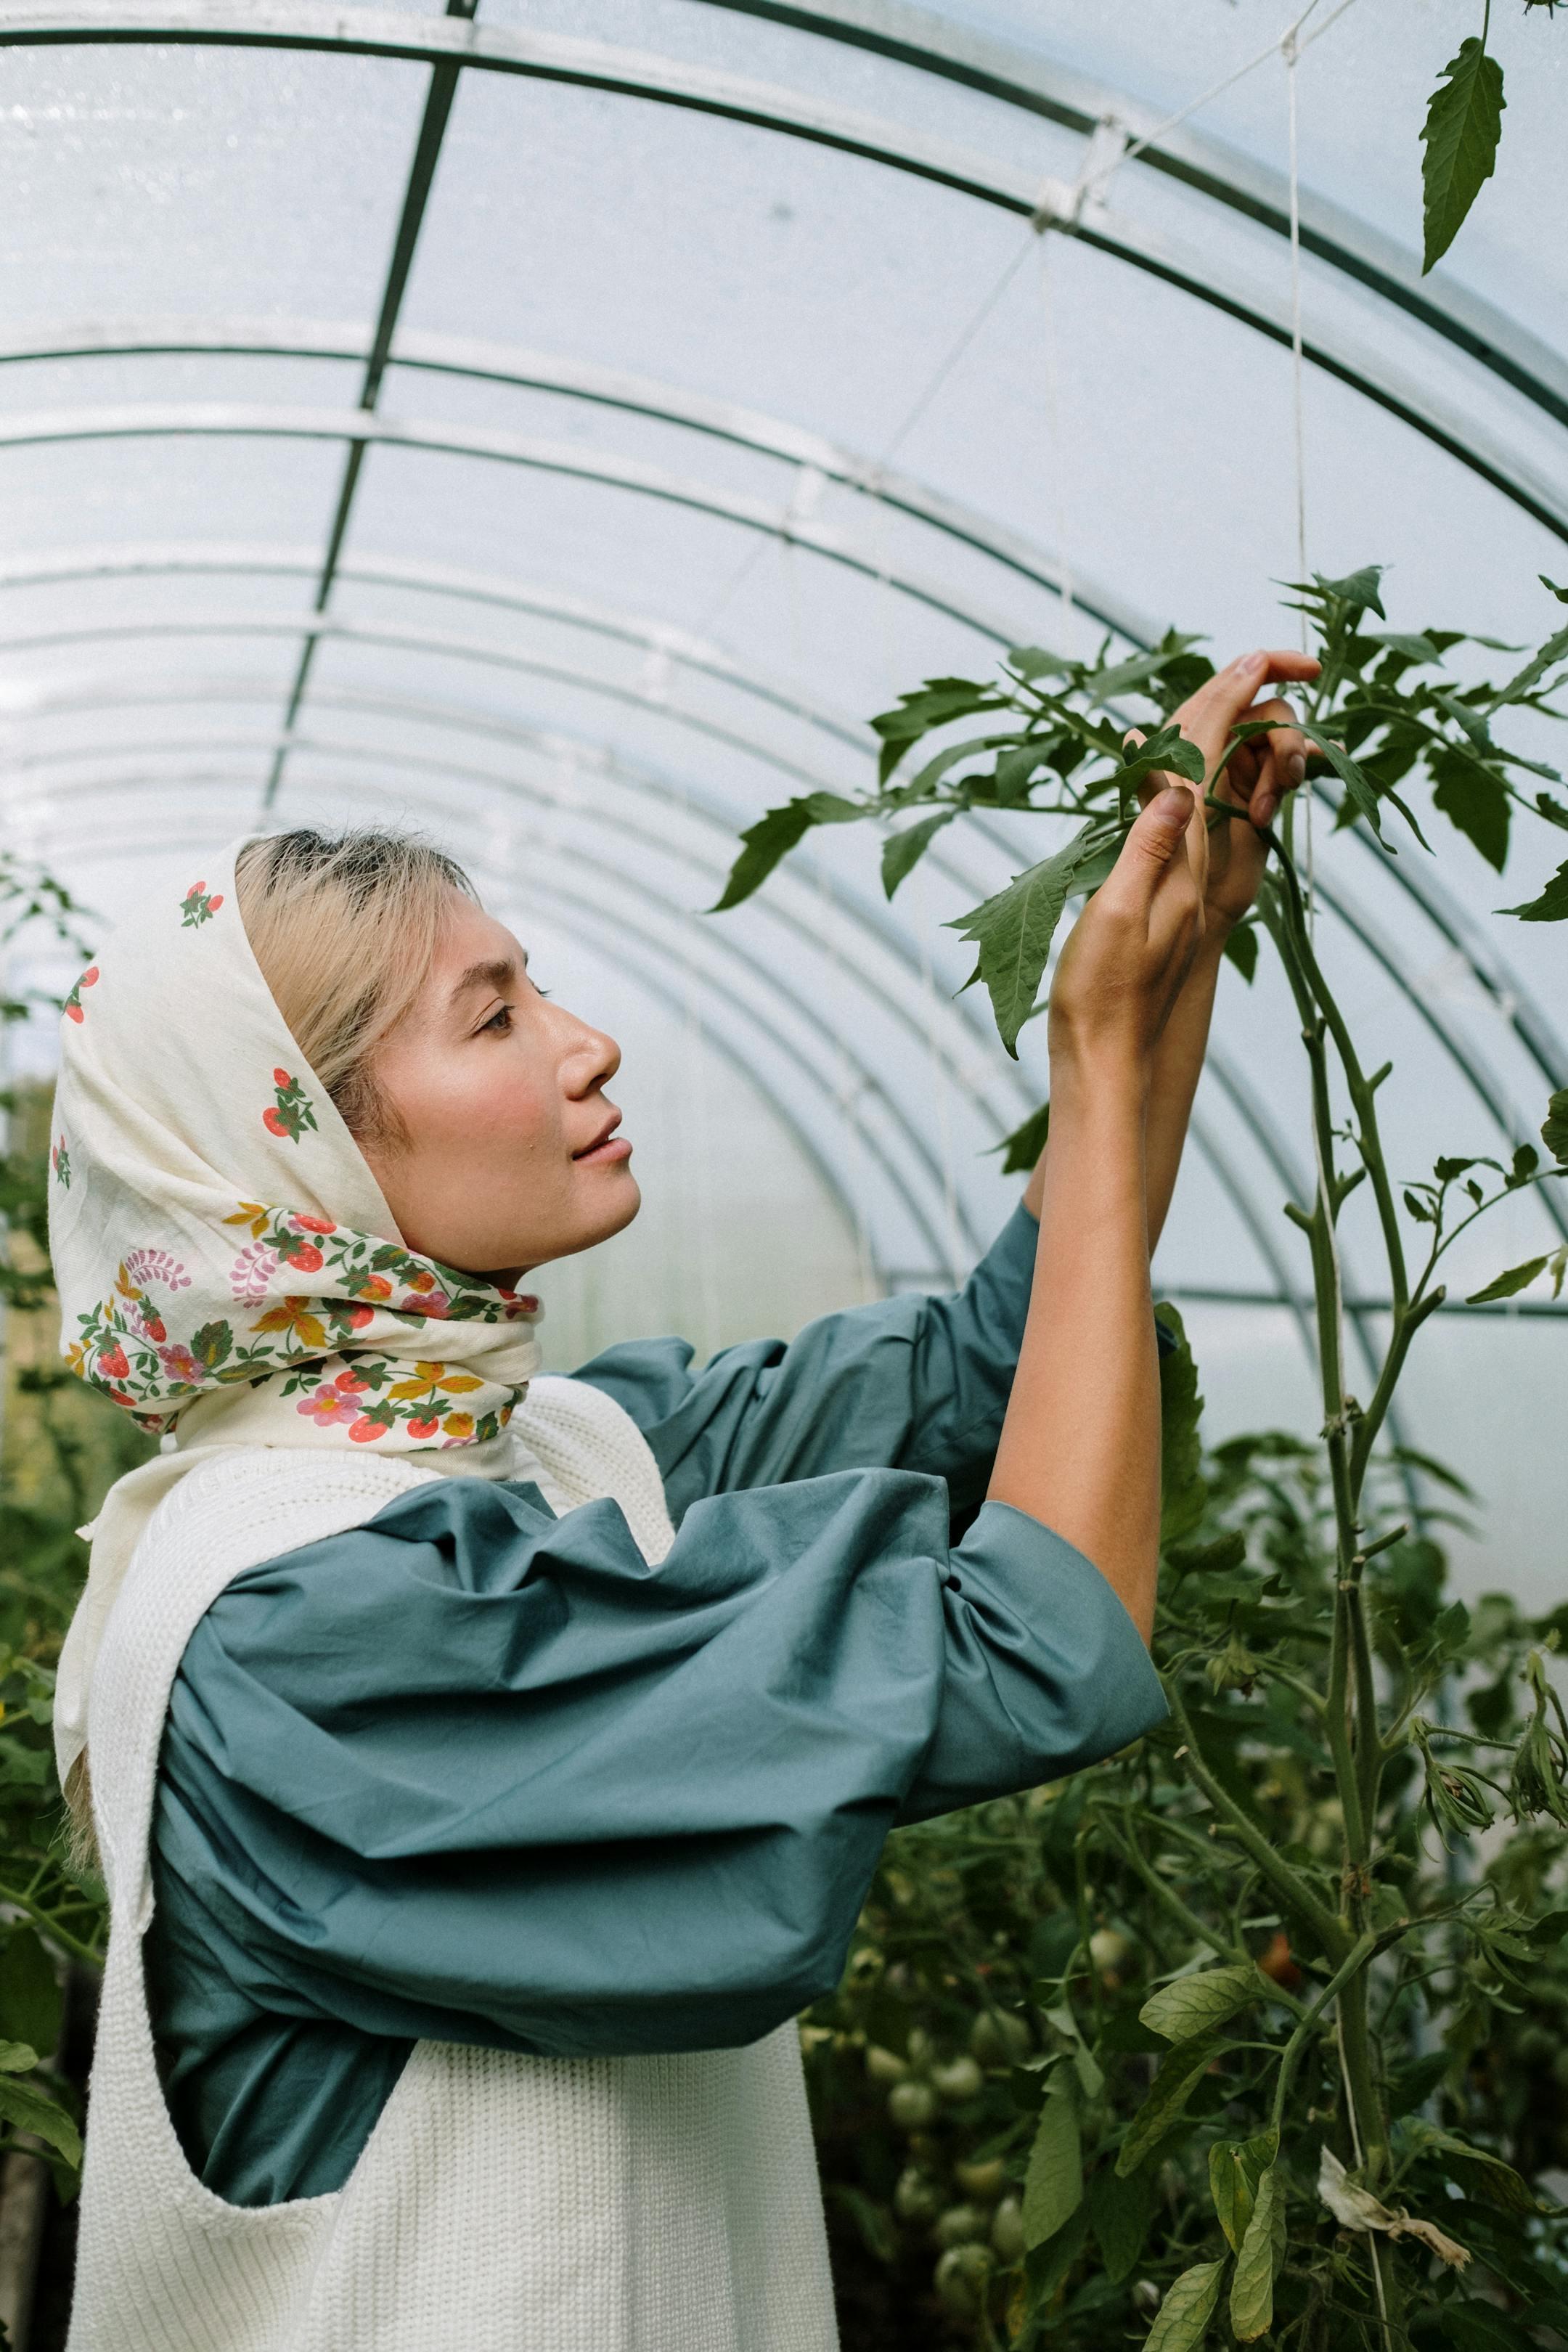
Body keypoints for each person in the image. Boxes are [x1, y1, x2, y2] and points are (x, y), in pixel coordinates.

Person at [49, 649, 1315, 2351]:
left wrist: (1175, 953)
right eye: (494, 1017)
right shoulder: (299, 1632)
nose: (587, 1045)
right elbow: (1031, 1640)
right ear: (307, 1161)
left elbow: (994, 1364)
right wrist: (1087, 1050)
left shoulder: (551, 1447)